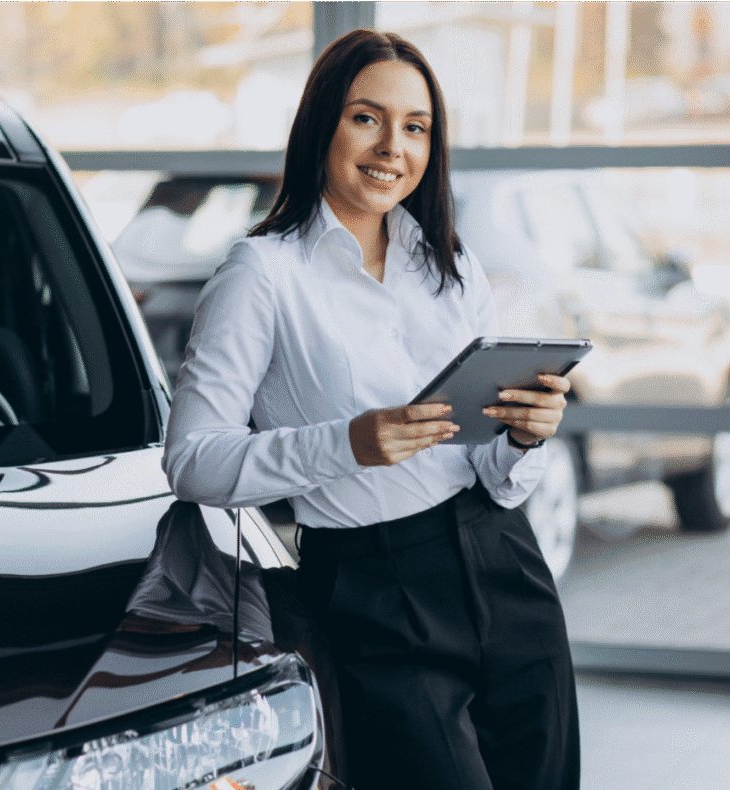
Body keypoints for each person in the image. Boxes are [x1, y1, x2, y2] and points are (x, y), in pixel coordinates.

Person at [162, 28, 579, 790]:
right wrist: (349, 442)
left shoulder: (450, 263)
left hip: (503, 565)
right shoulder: (261, 274)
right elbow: (190, 463)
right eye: (367, 118)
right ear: (323, 122)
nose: (393, 146)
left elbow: (490, 470)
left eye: (416, 127)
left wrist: (524, 439)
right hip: (372, 592)